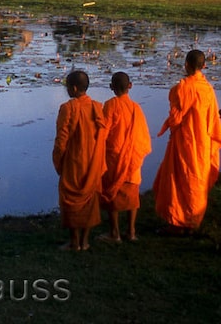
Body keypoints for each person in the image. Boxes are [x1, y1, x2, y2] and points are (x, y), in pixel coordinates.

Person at [153, 49, 221, 234]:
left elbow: (175, 118)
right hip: (203, 143)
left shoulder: (183, 87)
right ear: (203, 66)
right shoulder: (208, 88)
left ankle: (177, 223)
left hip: (186, 141)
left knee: (179, 180)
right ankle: (192, 221)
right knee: (196, 181)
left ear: (187, 65)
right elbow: (214, 117)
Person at [52, 70, 108, 250]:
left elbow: (62, 139)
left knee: (71, 198)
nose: (67, 91)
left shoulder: (68, 108)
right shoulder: (97, 107)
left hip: (75, 161)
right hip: (93, 160)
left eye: (68, 87)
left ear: (74, 88)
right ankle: (85, 241)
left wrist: (58, 161)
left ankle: (74, 242)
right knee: (90, 198)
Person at [99, 72, 151, 243]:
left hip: (115, 157)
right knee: (132, 194)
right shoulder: (137, 107)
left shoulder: (110, 105)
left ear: (111, 87)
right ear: (130, 86)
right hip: (133, 157)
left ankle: (115, 233)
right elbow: (143, 135)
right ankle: (131, 231)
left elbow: (103, 132)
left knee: (112, 193)